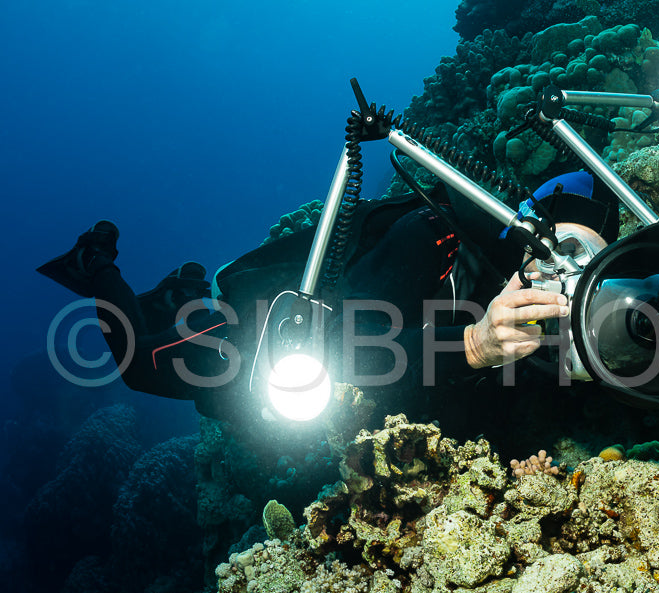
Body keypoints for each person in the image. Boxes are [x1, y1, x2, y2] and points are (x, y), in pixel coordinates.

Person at [37, 171, 621, 425]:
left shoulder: (536, 298)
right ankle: (98, 263)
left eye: (585, 265)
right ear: (527, 233)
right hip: (273, 334)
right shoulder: (432, 235)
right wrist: (472, 344)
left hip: (366, 394)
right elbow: (343, 342)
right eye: (561, 250)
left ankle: (180, 289)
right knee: (141, 367)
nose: (564, 276)